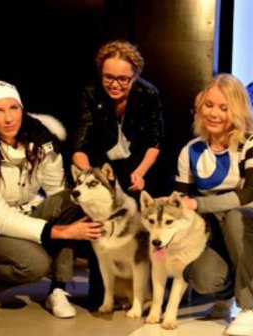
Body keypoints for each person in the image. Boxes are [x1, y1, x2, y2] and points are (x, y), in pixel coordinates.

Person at [0, 77, 102, 318]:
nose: (9, 118)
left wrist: (69, 221)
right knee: (36, 265)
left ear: (22, 108)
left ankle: (58, 289)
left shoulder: (42, 140)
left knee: (72, 199)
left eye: (13, 108)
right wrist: (59, 232)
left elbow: (55, 189)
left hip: (27, 213)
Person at [174, 74, 253, 336]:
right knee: (202, 277)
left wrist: (196, 204)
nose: (214, 113)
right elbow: (180, 202)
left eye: (224, 108)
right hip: (219, 238)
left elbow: (247, 197)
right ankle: (231, 292)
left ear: (238, 111)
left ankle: (250, 308)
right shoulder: (190, 151)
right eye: (209, 105)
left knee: (236, 216)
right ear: (199, 106)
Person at [72, 40, 164, 307]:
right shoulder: (90, 94)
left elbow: (156, 142)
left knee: (147, 233)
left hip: (140, 166)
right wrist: (85, 175)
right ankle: (106, 287)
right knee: (97, 295)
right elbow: (80, 144)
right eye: (109, 77)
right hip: (102, 168)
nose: (115, 84)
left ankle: (153, 290)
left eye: (123, 79)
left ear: (135, 76)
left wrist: (141, 173)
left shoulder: (148, 94)